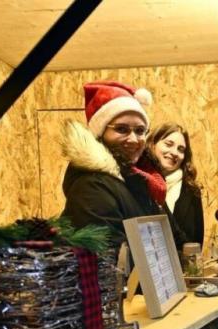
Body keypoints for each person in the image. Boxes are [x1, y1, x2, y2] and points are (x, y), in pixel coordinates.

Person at [61, 81, 167, 246]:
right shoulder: (91, 187)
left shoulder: (143, 180)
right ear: (101, 133)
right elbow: (111, 261)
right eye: (122, 129)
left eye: (140, 131)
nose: (133, 139)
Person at [145, 123, 204, 246]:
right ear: (153, 144)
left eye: (181, 149)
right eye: (168, 144)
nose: (174, 152)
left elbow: (196, 243)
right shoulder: (141, 182)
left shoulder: (191, 190)